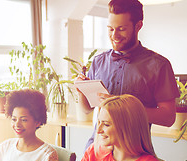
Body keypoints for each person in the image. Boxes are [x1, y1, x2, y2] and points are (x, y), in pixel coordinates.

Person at [77, 0, 179, 149]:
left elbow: (168, 118)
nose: (114, 35)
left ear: (138, 26)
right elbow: (87, 109)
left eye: (121, 29)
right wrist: (81, 91)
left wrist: (125, 107)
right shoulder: (98, 62)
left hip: (134, 156)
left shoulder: (159, 65)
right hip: (96, 151)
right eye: (110, 29)